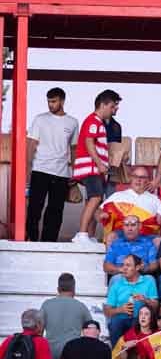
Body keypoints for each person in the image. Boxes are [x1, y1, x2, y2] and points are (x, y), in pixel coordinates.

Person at [25, 87, 79, 242]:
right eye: (49, 101)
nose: (50, 105)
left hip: (62, 173)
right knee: (34, 208)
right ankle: (31, 240)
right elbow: (31, 145)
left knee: (55, 211)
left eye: (54, 101)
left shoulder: (73, 122)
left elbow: (74, 148)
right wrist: (27, 171)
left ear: (62, 101)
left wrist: (75, 172)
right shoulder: (39, 119)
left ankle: (49, 243)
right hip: (39, 170)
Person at [72, 89, 121, 242]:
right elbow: (89, 142)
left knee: (93, 201)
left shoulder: (97, 122)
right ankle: (81, 234)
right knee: (96, 198)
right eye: (112, 107)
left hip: (94, 169)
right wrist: (100, 164)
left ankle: (88, 234)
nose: (114, 110)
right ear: (102, 104)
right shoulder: (93, 121)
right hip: (91, 168)